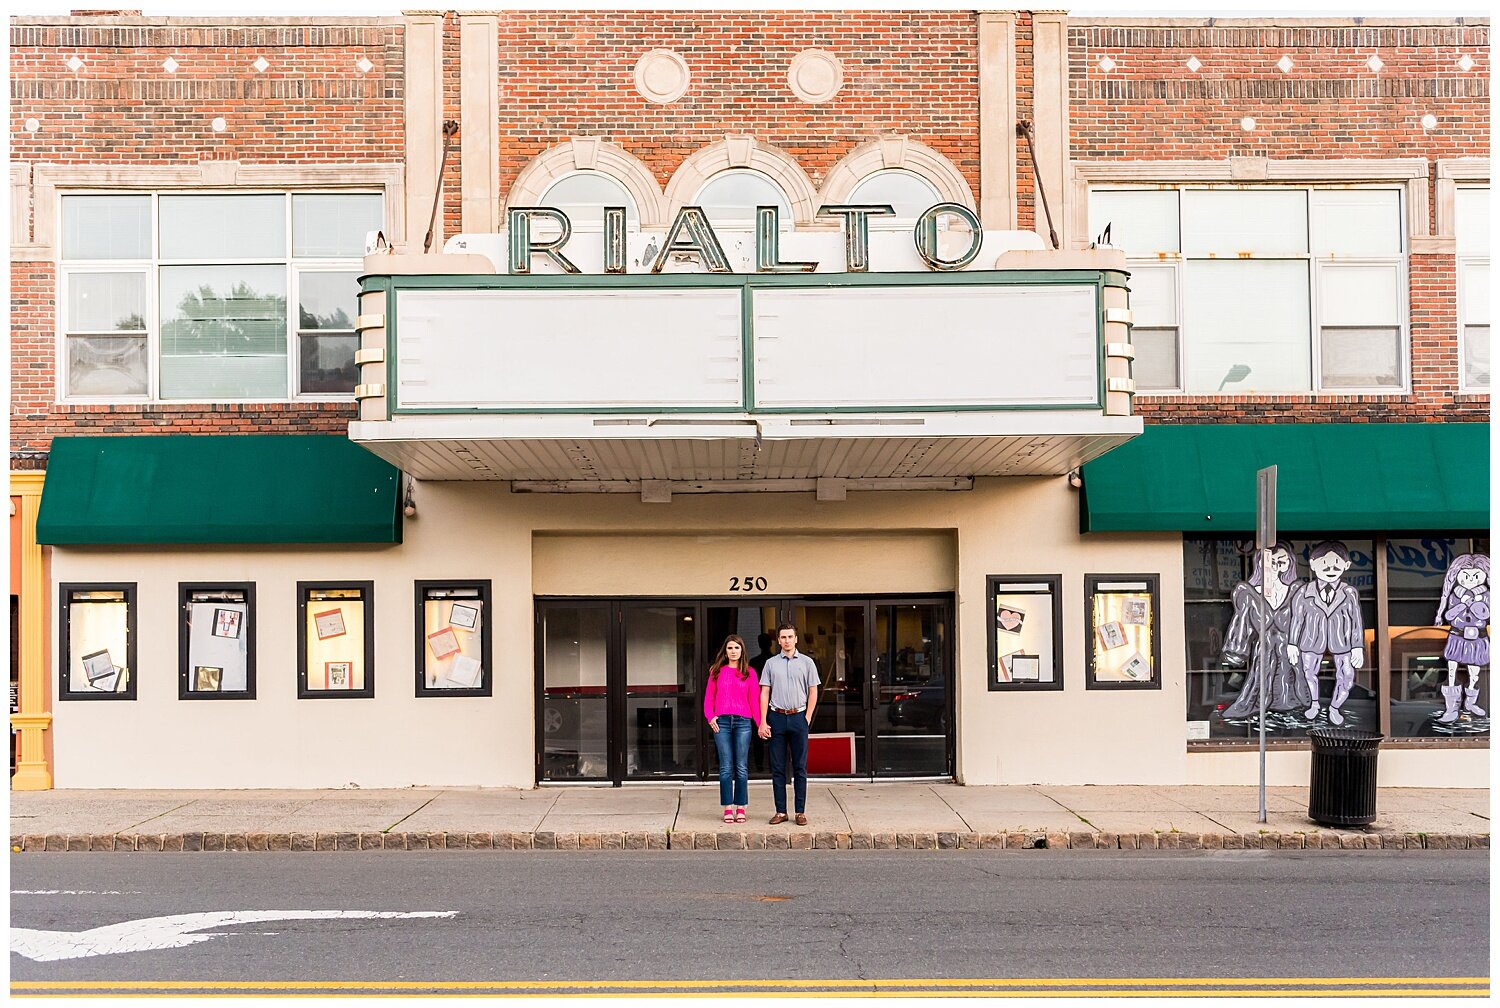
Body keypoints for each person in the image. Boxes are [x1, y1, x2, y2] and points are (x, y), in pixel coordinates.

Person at [1220, 541, 1312, 722]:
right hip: (1264, 651)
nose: (1277, 566)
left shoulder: (1297, 591)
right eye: (1273, 561)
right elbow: (1242, 621)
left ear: (1289, 563)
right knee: (1261, 684)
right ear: (1261, 562)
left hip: (1290, 651)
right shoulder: (1248, 592)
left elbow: (1306, 623)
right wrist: (1236, 652)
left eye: (1282, 561)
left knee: (1292, 686)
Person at [1286, 541, 1365, 725]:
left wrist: (1358, 646)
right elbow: (1297, 618)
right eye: (1324, 564)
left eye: (1336, 564)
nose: (1330, 569)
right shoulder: (1304, 592)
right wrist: (1292, 643)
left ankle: (1335, 707)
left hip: (1342, 642)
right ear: (1313, 564)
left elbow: (1356, 621)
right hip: (1311, 640)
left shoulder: (1349, 592)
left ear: (1346, 566)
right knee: (1308, 673)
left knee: (1346, 676)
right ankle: (1314, 704)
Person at [757, 622, 820, 826]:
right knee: (778, 767)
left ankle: (800, 812)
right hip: (776, 717)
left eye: (790, 637)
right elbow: (764, 692)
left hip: (798, 717)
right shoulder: (770, 664)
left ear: (796, 639)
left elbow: (813, 691)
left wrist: (807, 717)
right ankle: (781, 811)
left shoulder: (807, 663)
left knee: (800, 767)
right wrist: (763, 720)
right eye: (783, 637)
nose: (786, 641)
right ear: (778, 640)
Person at [703, 635, 761, 823]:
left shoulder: (750, 672)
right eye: (730, 648)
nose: (733, 651)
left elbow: (754, 700)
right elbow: (708, 698)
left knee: (742, 767)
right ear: (725, 651)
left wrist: (761, 723)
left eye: (737, 648)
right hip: (723, 723)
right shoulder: (716, 672)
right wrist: (710, 717)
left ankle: (741, 806)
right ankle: (728, 807)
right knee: (726, 767)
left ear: (742, 650)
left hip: (743, 722)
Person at [1434, 554, 1489, 724]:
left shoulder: (1487, 594)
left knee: (1474, 673)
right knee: (1451, 671)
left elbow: (1485, 613)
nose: (1470, 580)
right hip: (1457, 636)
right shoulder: (1454, 595)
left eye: (1475, 576)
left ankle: (1470, 702)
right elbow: (1449, 615)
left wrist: (1473, 601)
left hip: (1477, 638)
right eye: (1466, 576)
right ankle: (1451, 708)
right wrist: (1463, 603)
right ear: (1457, 575)